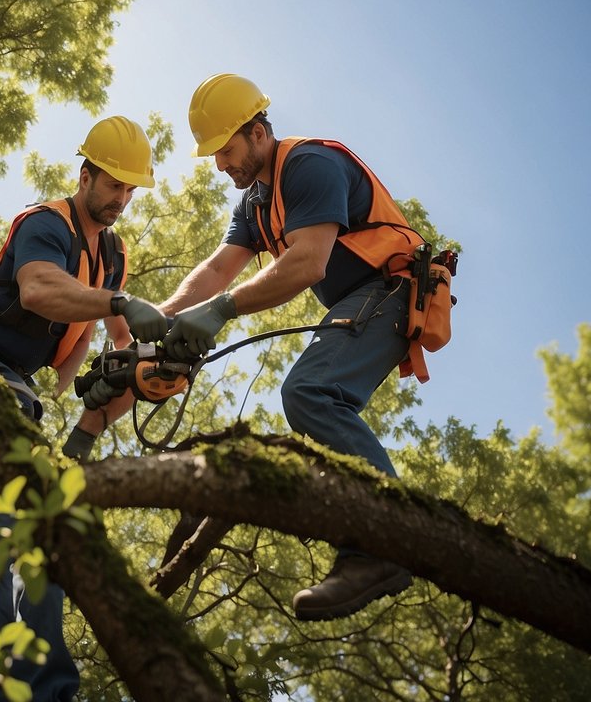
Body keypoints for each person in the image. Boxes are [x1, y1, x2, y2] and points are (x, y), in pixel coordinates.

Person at [162, 73, 421, 622]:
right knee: (310, 394)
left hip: (392, 287)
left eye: (226, 150)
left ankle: (386, 544)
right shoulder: (255, 202)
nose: (220, 165)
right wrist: (162, 319)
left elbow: (307, 263)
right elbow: (217, 268)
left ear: (258, 132)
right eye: (213, 155)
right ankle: (375, 535)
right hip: (358, 299)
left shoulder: (307, 165)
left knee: (311, 391)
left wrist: (220, 312)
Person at [0, 115, 167, 700]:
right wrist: (124, 303)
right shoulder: (47, 223)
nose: (122, 198)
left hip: (19, 389)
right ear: (86, 174)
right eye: (113, 184)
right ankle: (22, 689)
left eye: (131, 188)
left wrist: (152, 366)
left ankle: (31, 686)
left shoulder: (112, 254)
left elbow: (117, 339)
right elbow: (39, 290)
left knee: (36, 529)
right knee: (4, 523)